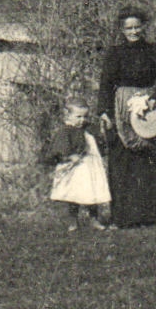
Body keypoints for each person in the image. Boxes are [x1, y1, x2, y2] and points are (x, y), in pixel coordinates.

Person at [97, 6, 156, 227]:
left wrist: (154, 99)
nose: (133, 31)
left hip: (149, 107)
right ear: (122, 30)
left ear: (144, 27)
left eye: (137, 26)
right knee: (124, 162)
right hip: (122, 108)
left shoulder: (154, 50)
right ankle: (126, 217)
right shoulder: (114, 53)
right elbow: (105, 84)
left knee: (153, 158)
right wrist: (104, 112)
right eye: (128, 28)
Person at [40, 95, 110, 231]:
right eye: (78, 117)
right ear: (68, 115)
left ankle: (94, 219)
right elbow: (60, 147)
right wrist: (69, 156)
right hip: (76, 168)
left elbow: (98, 138)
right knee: (74, 193)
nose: (82, 120)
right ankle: (73, 221)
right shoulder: (65, 131)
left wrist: (103, 130)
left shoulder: (88, 128)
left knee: (92, 191)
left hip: (90, 165)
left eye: (85, 116)